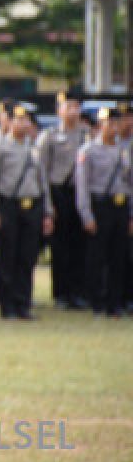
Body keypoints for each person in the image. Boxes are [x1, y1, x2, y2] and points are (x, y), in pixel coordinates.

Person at [0, 105, 53, 319]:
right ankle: (8, 305)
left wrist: (47, 211)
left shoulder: (34, 148)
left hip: (32, 206)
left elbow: (43, 182)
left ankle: (23, 303)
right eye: (19, 120)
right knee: (6, 256)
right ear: (9, 122)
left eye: (27, 121)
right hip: (8, 206)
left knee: (27, 256)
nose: (24, 124)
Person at [75, 107, 130, 317]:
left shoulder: (123, 151)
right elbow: (82, 187)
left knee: (118, 256)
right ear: (100, 125)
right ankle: (96, 301)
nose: (113, 128)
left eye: (117, 123)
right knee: (97, 257)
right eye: (109, 123)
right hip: (100, 206)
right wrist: (87, 215)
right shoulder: (88, 151)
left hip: (120, 206)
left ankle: (114, 302)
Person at [36, 89, 89, 310]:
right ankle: (60, 293)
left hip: (80, 193)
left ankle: (77, 292)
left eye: (77, 107)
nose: (73, 111)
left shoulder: (86, 135)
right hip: (58, 194)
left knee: (80, 245)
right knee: (60, 247)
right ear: (59, 110)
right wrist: (48, 207)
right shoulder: (48, 137)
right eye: (69, 107)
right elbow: (41, 174)